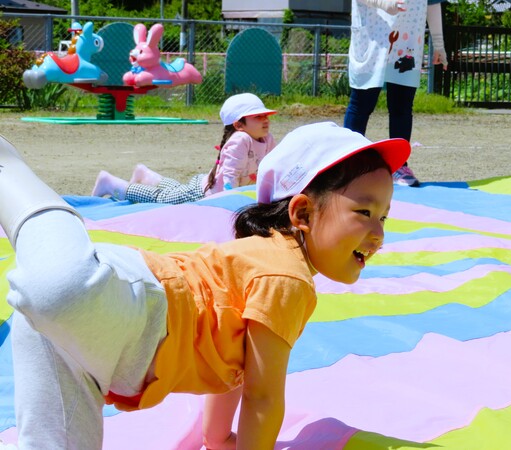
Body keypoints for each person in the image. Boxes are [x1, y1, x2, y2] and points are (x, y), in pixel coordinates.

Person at [0, 121, 410, 449]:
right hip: (126, 305)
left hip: (84, 343)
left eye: (384, 217)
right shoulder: (287, 278)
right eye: (364, 212)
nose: (378, 233)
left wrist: (218, 439)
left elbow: (234, 371)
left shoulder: (259, 262)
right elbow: (263, 397)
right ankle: (10, 172)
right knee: (60, 288)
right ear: (301, 213)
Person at [91, 92, 277, 204]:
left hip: (206, 185)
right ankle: (109, 183)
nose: (265, 120)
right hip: (202, 193)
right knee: (162, 199)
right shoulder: (241, 140)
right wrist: (230, 202)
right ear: (238, 125)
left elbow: (271, 169)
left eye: (266, 116)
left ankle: (145, 175)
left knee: (175, 191)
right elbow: (230, 175)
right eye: (258, 117)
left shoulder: (267, 139)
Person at [344, 0, 448, 187]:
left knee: (402, 106)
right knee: (362, 103)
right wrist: (383, 3)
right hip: (373, 36)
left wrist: (439, 44)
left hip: (408, 40)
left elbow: (432, 4)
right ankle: (347, 166)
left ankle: (399, 165)